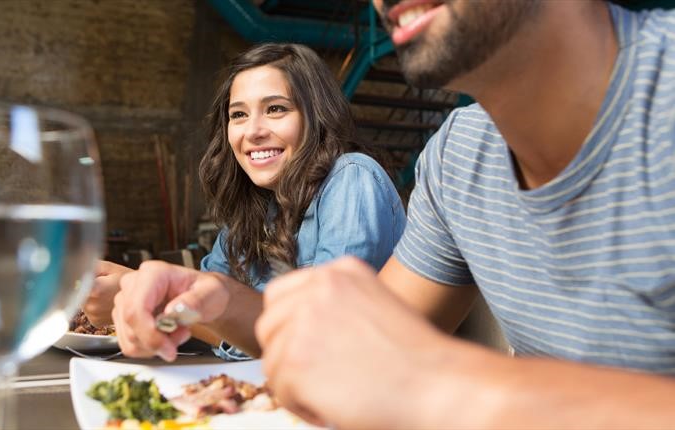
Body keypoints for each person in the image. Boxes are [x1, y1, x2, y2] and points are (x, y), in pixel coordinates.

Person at [253, 1, 675, 429]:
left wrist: (440, 382)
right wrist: (215, 304)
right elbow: (349, 363)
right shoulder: (459, 156)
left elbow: (408, 375)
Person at [99, 43, 405, 360]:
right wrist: (153, 312)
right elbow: (202, 308)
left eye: (276, 109)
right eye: (239, 115)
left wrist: (143, 294)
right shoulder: (254, 212)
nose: (253, 131)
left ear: (316, 116)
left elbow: (319, 336)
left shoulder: (350, 178)